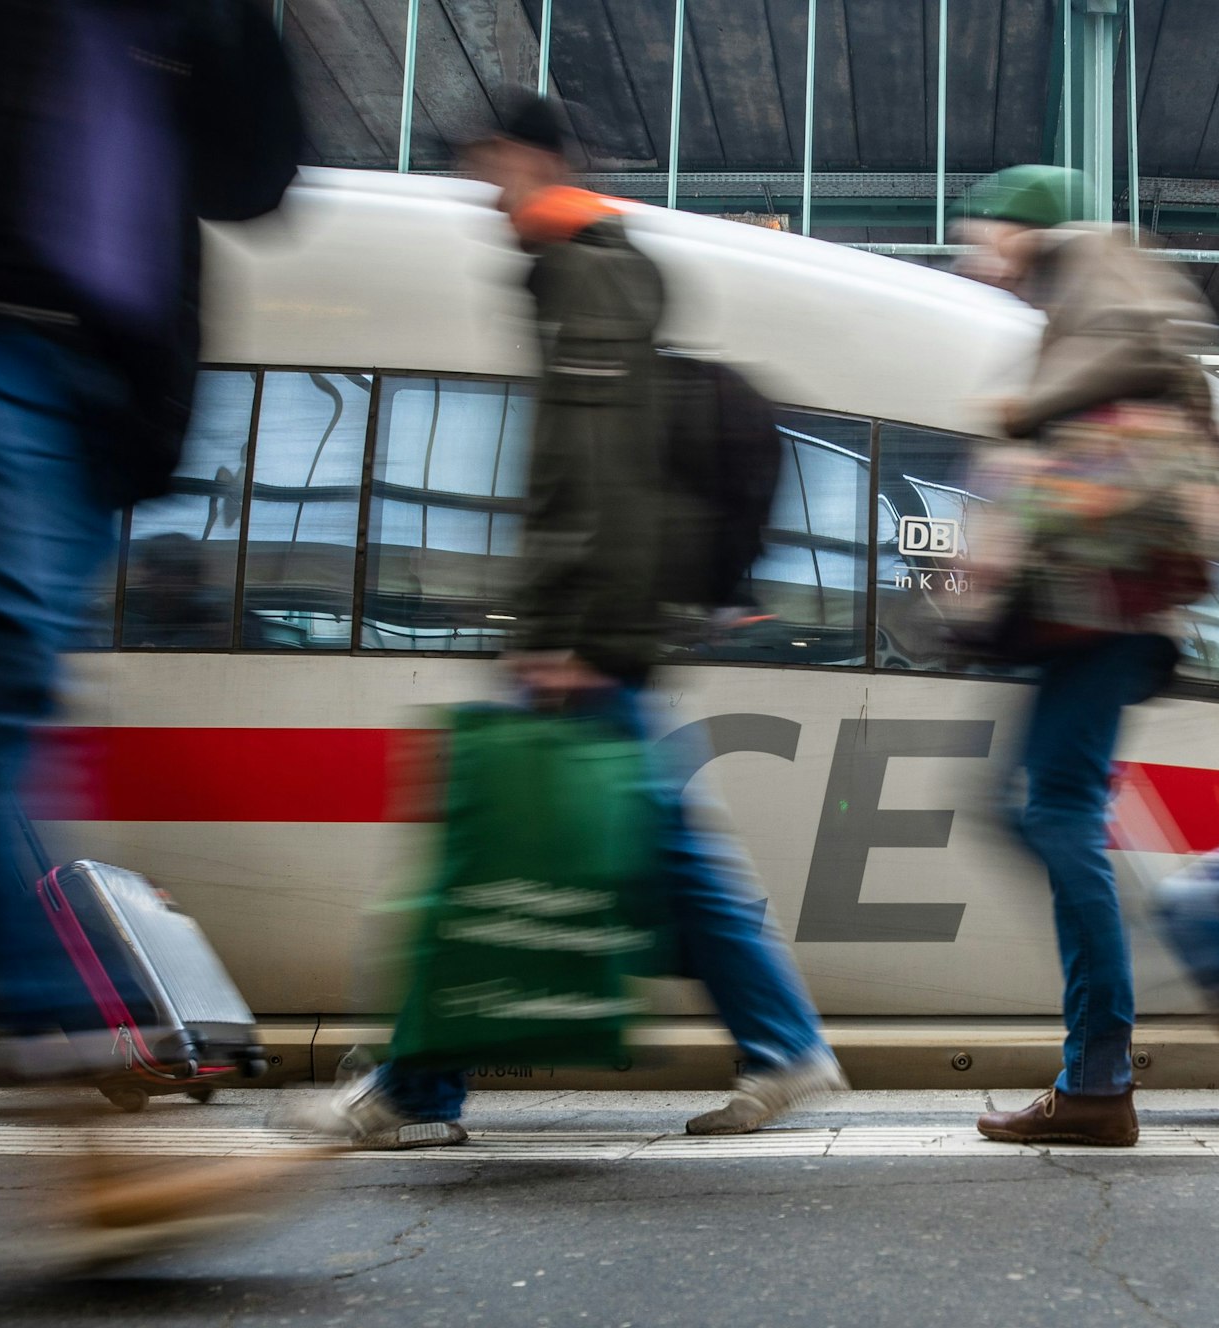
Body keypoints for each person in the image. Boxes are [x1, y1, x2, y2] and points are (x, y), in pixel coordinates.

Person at [316, 92, 846, 1149]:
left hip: (588, 633)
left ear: (530, 158)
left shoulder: (584, 271)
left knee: (491, 854)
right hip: (601, 626)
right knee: (666, 853)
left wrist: (569, 635)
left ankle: (417, 1088)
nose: (483, 196)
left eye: (487, 168)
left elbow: (597, 476)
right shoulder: (583, 268)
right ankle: (786, 1045)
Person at [0, 0, 301, 1071]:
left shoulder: (175, 25)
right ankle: (75, 1019)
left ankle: (76, 1029)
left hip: (102, 401)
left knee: (21, 704)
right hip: (4, 341)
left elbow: (252, 178)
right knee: (2, 692)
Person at [955, 168, 1219, 1149]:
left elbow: (1104, 405)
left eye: (984, 233)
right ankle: (1107, 1052)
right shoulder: (1085, 298)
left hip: (1099, 607)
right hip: (1096, 610)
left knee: (1052, 811)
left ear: (1027, 228)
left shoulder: (1094, 284)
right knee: (1032, 807)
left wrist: (1019, 415)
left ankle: (1103, 1072)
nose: (974, 254)